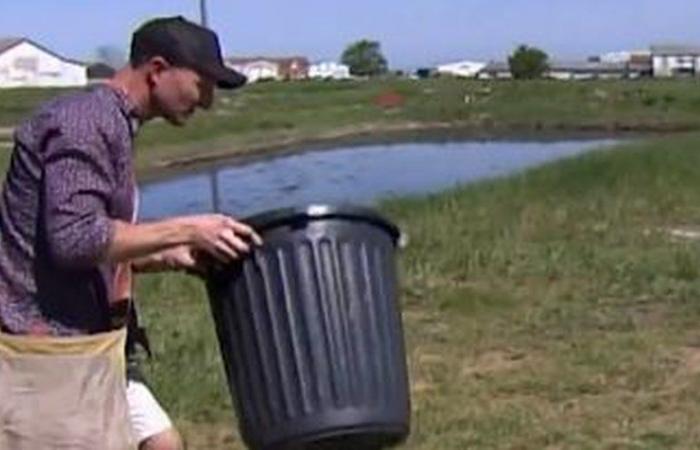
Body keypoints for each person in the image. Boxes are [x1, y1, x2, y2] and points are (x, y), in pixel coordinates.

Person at [0, 16, 262, 450]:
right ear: (158, 70)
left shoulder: (114, 123)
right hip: (50, 353)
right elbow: (73, 238)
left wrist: (167, 255)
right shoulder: (86, 124)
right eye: (204, 83)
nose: (209, 101)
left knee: (162, 443)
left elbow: (89, 238)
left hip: (99, 343)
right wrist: (190, 228)